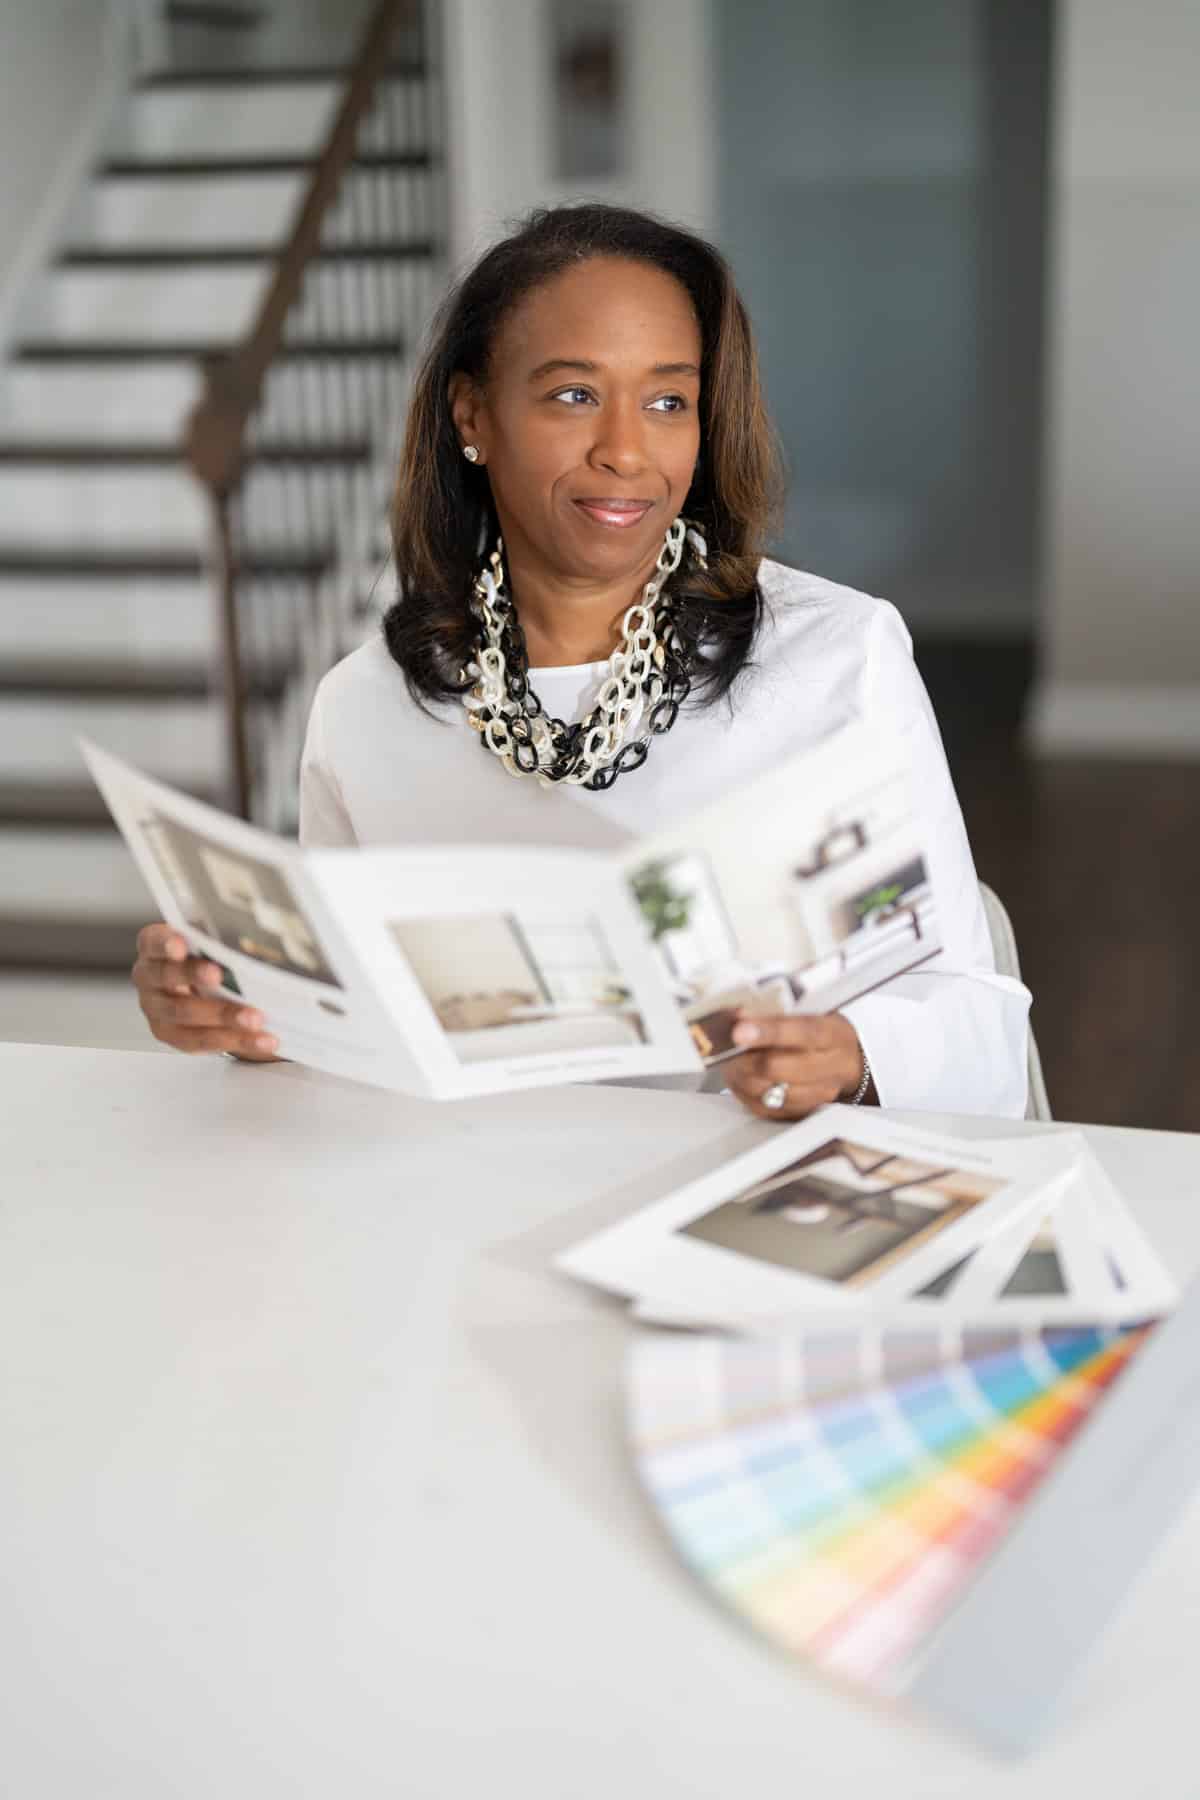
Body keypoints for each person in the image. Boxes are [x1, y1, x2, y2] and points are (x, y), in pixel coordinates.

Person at [133, 202, 1031, 1120]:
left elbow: (982, 1025)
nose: (626, 452)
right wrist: (241, 1012)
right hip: (463, 1188)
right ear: (473, 414)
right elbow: (348, 1024)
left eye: (667, 401)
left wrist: (849, 1057)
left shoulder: (840, 658)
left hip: (749, 1179)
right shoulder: (364, 707)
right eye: (573, 395)